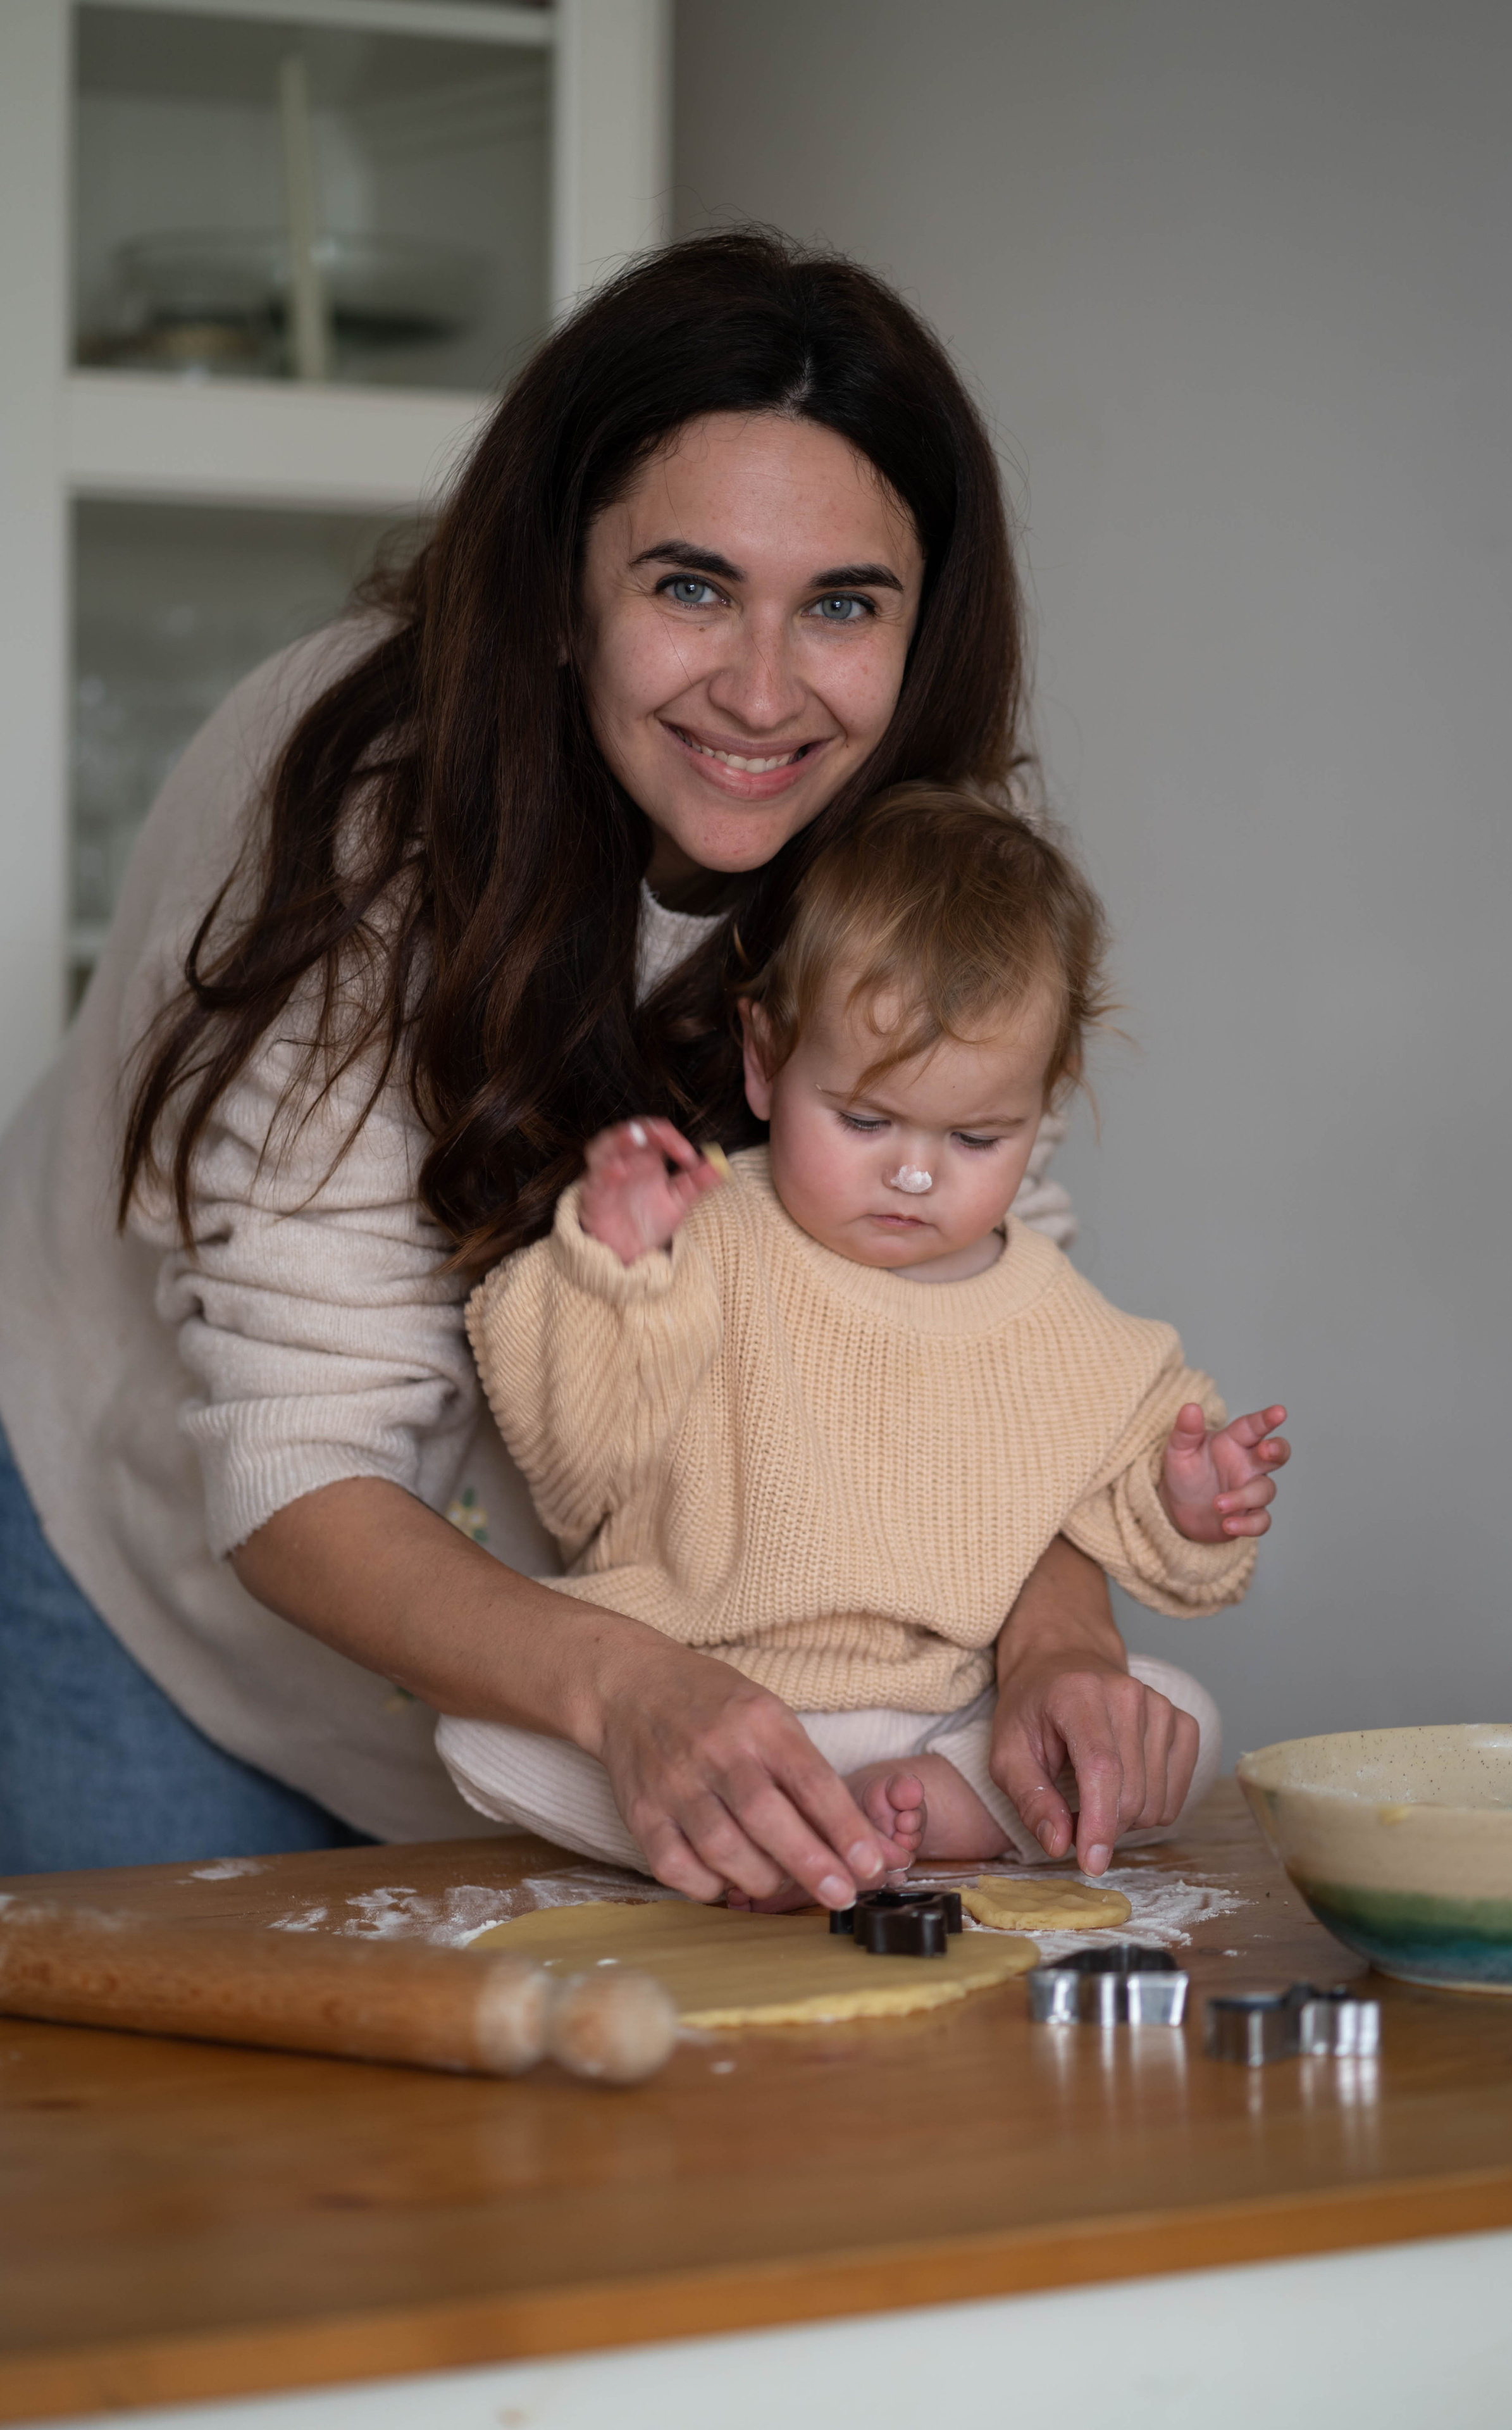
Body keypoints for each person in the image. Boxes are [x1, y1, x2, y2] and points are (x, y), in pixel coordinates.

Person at [0, 230, 1238, 1899]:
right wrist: (630, 1690)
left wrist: (1059, 1649)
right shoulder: (353, 818)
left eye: (844, 605)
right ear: (565, 594)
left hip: (612, 1697)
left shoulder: (897, 851)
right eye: (691, 584)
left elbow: (975, 1329)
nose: (762, 689)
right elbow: (301, 1459)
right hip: (162, 1603)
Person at [440, 787, 1288, 1897]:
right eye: (867, 1121)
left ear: (1045, 1106)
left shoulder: (1057, 1312)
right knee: (477, 1733)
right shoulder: (709, 1233)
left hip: (942, 1706)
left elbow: (1123, 1497)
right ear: (765, 1058)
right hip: (697, 1695)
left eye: (979, 1136)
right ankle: (808, 1834)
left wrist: (1188, 1496)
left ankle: (894, 1817)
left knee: (1174, 1714)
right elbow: (576, 1460)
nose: (918, 1175)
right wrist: (619, 1268)